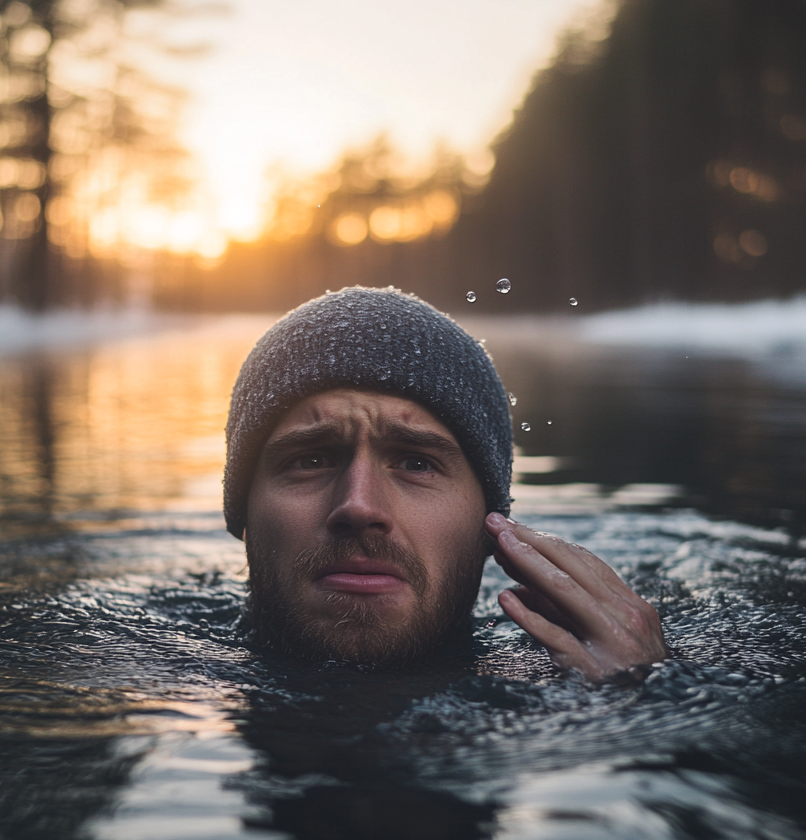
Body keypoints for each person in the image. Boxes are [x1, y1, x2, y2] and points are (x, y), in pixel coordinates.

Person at [222, 286, 667, 679]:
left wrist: (644, 686)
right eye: (311, 459)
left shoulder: (567, 680)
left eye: (417, 464)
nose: (359, 506)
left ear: (491, 525)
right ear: (243, 511)